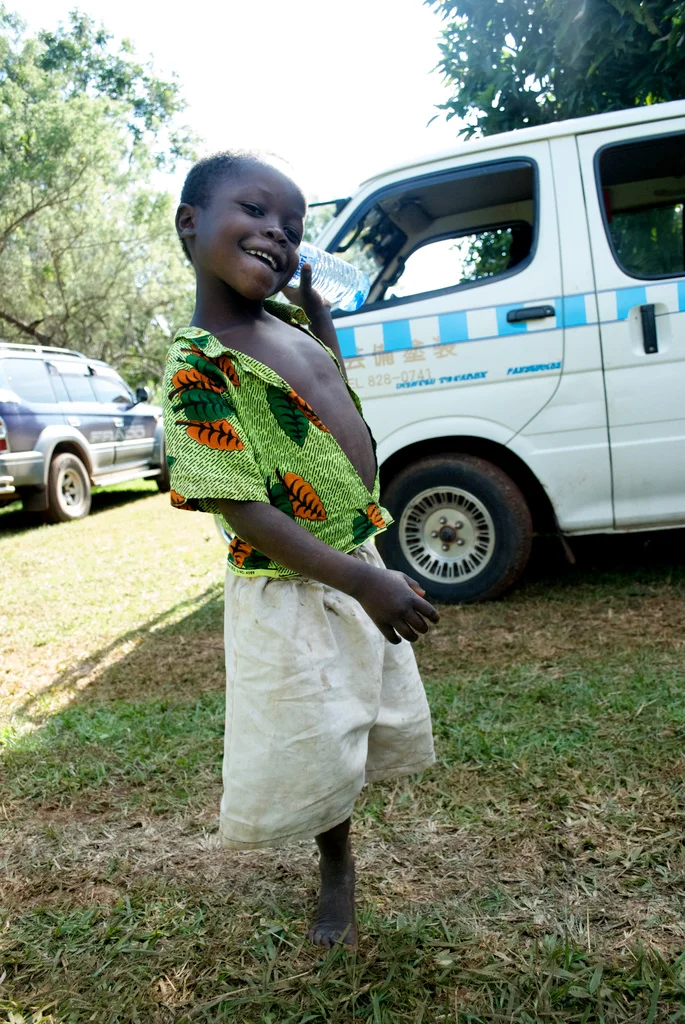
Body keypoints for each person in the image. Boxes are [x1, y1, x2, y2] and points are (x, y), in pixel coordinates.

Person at [162, 151, 439, 949]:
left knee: (353, 713)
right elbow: (237, 503)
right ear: (191, 223)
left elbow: (326, 397)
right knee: (314, 733)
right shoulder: (199, 364)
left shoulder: (280, 327)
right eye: (255, 212)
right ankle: (335, 865)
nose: (278, 235)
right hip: (297, 585)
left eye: (293, 228)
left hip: (353, 561)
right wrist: (360, 580)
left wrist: (320, 320)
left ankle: (340, 833)